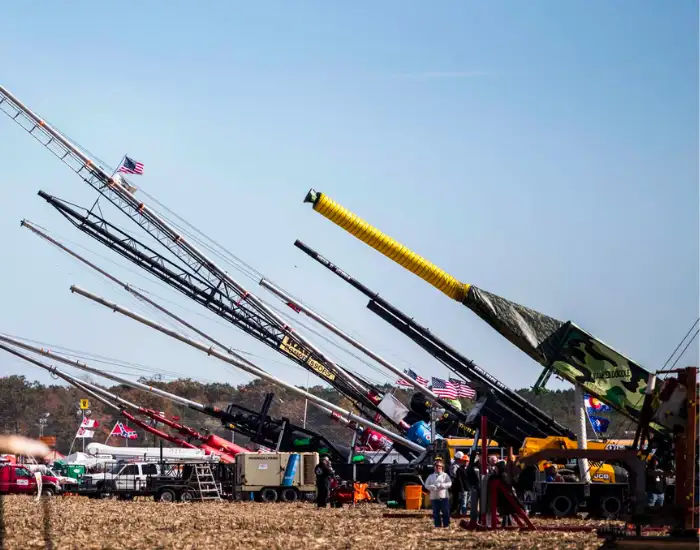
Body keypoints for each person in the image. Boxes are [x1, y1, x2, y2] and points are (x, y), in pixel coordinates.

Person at [425, 459, 452, 528]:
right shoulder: (430, 476)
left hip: (444, 497)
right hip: (434, 498)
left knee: (445, 512)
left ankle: (446, 525)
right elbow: (426, 485)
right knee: (436, 513)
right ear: (434, 467)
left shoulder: (445, 475)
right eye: (436, 466)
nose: (438, 468)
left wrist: (443, 485)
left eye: (440, 466)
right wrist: (432, 487)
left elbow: (450, 483)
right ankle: (437, 526)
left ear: (442, 467)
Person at [466, 453, 481, 525]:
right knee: (474, 505)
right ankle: (474, 520)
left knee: (484, 506)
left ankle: (481, 519)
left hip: (484, 488)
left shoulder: (487, 465)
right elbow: (468, 475)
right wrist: (472, 485)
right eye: (478, 455)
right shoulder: (472, 466)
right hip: (475, 487)